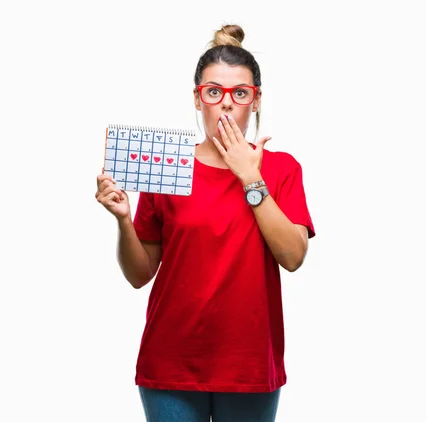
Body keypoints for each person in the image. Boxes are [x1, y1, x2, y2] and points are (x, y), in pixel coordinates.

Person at [95, 24, 315, 422]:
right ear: (198, 100)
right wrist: (123, 221)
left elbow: (293, 256)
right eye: (214, 92)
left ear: (256, 101)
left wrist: (251, 178)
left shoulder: (282, 169)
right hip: (171, 360)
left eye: (240, 93)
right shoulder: (169, 164)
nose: (226, 104)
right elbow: (139, 274)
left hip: (248, 363)